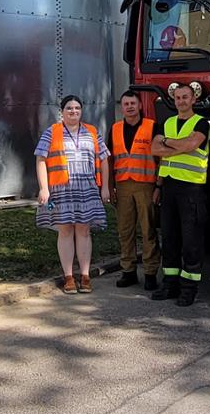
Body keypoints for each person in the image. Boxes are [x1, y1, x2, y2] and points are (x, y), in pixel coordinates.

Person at [36, 95, 108, 294]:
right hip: (61, 190)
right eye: (69, 108)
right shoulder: (52, 132)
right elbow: (41, 159)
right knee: (65, 230)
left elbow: (104, 159)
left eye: (77, 108)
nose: (73, 111)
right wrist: (44, 188)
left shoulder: (92, 132)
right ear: (62, 111)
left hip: (87, 188)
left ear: (81, 111)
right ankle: (68, 277)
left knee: (84, 230)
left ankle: (85, 276)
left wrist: (105, 187)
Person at [151, 83, 210, 306]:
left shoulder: (201, 123)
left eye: (185, 97)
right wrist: (178, 146)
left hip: (191, 190)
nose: (181, 101)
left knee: (191, 241)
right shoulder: (167, 122)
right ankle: (170, 284)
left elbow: (192, 144)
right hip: (169, 189)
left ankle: (189, 289)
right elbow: (155, 150)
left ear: (193, 99)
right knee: (169, 238)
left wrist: (167, 142)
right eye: (178, 97)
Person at [107, 91, 161, 289]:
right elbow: (110, 160)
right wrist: (109, 187)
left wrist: (158, 187)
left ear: (140, 106)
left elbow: (161, 159)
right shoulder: (114, 129)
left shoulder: (152, 126)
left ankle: (150, 273)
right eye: (125, 103)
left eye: (133, 103)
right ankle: (128, 271)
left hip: (146, 185)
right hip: (122, 186)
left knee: (148, 231)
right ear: (122, 107)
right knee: (125, 231)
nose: (129, 106)